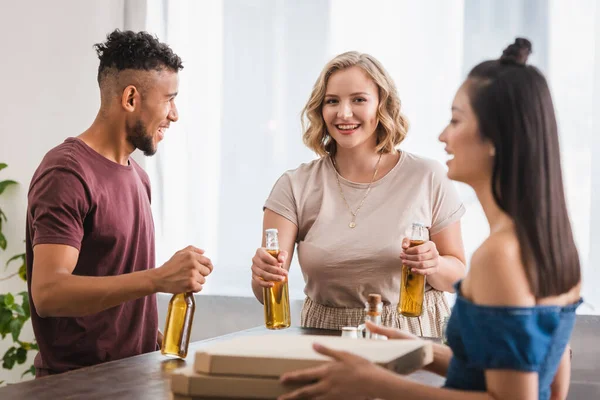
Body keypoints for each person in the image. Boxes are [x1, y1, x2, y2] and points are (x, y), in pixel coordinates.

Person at [277, 38, 582, 400]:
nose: (442, 136)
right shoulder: (551, 247)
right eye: (333, 100)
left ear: (495, 139)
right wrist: (421, 349)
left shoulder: (499, 256)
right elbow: (553, 373)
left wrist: (377, 383)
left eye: (456, 120)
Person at [26, 30, 214, 377]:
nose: (174, 114)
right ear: (130, 98)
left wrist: (150, 341)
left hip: (134, 377)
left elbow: (115, 292)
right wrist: (158, 278)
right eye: (169, 99)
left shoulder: (138, 178)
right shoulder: (66, 173)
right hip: (77, 387)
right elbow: (49, 292)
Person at [251, 51, 467, 337]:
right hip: (324, 335)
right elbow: (266, 289)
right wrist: (261, 275)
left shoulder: (427, 176)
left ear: (382, 106)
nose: (343, 113)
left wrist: (434, 264)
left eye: (359, 99)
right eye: (332, 101)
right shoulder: (294, 185)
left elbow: (458, 276)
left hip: (414, 333)